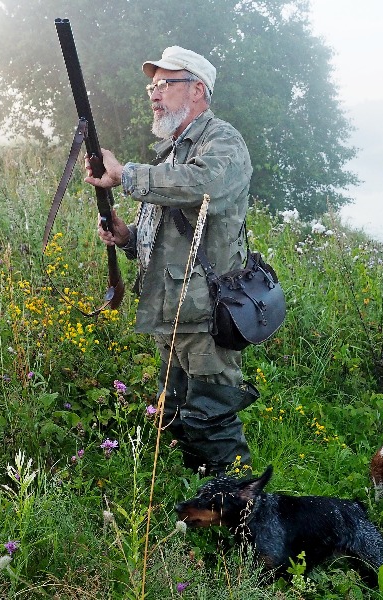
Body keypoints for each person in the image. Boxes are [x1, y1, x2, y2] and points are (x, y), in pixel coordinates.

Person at [84, 46, 257, 475]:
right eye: (152, 85)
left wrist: (127, 175)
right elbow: (170, 236)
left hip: (206, 314)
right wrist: (127, 239)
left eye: (165, 84)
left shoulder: (222, 141)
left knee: (213, 423)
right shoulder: (171, 151)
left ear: (197, 90)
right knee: (179, 417)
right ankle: (199, 517)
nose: (154, 94)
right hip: (174, 310)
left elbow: (205, 187)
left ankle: (239, 522)